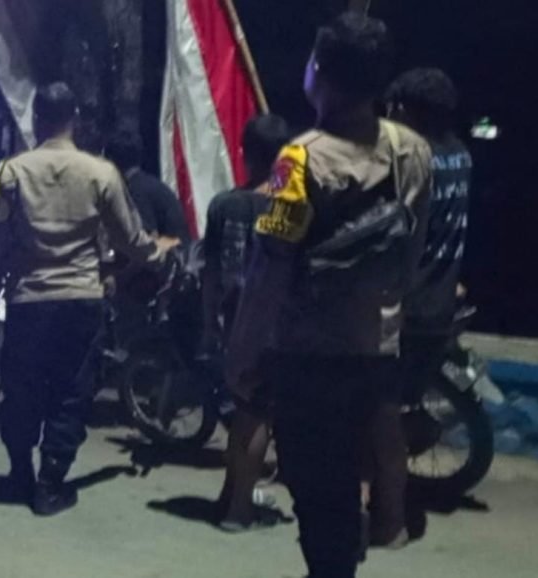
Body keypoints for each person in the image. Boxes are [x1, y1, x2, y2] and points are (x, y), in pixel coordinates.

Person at [225, 13, 432, 578]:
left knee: (319, 492)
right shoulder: (412, 150)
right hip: (378, 349)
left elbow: (270, 269)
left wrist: (242, 356)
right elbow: (410, 252)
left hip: (308, 357)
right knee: (351, 476)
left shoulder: (299, 160)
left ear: (318, 72)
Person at [0, 83, 178, 517]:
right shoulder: (101, 173)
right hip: (80, 300)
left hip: (28, 299)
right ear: (76, 121)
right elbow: (130, 238)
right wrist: (156, 253)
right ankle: (50, 485)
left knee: (22, 388)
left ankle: (19, 472)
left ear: (36, 119)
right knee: (70, 392)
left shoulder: (9, 172)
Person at [365, 68, 472, 542]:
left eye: (396, 110)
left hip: (407, 308)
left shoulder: (415, 160)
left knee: (379, 418)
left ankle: (388, 519)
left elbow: (395, 234)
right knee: (389, 410)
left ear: (410, 111)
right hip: (440, 302)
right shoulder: (461, 157)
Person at [202, 114, 291, 531]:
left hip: (234, 324)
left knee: (244, 414)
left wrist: (209, 323)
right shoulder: (292, 209)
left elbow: (212, 274)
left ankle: (232, 498)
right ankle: (239, 507)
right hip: (276, 328)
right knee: (255, 417)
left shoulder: (225, 205)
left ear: (245, 154)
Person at [104, 130, 191, 243]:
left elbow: (148, 238)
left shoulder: (135, 191)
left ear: (112, 161)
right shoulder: (149, 185)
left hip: (173, 251)